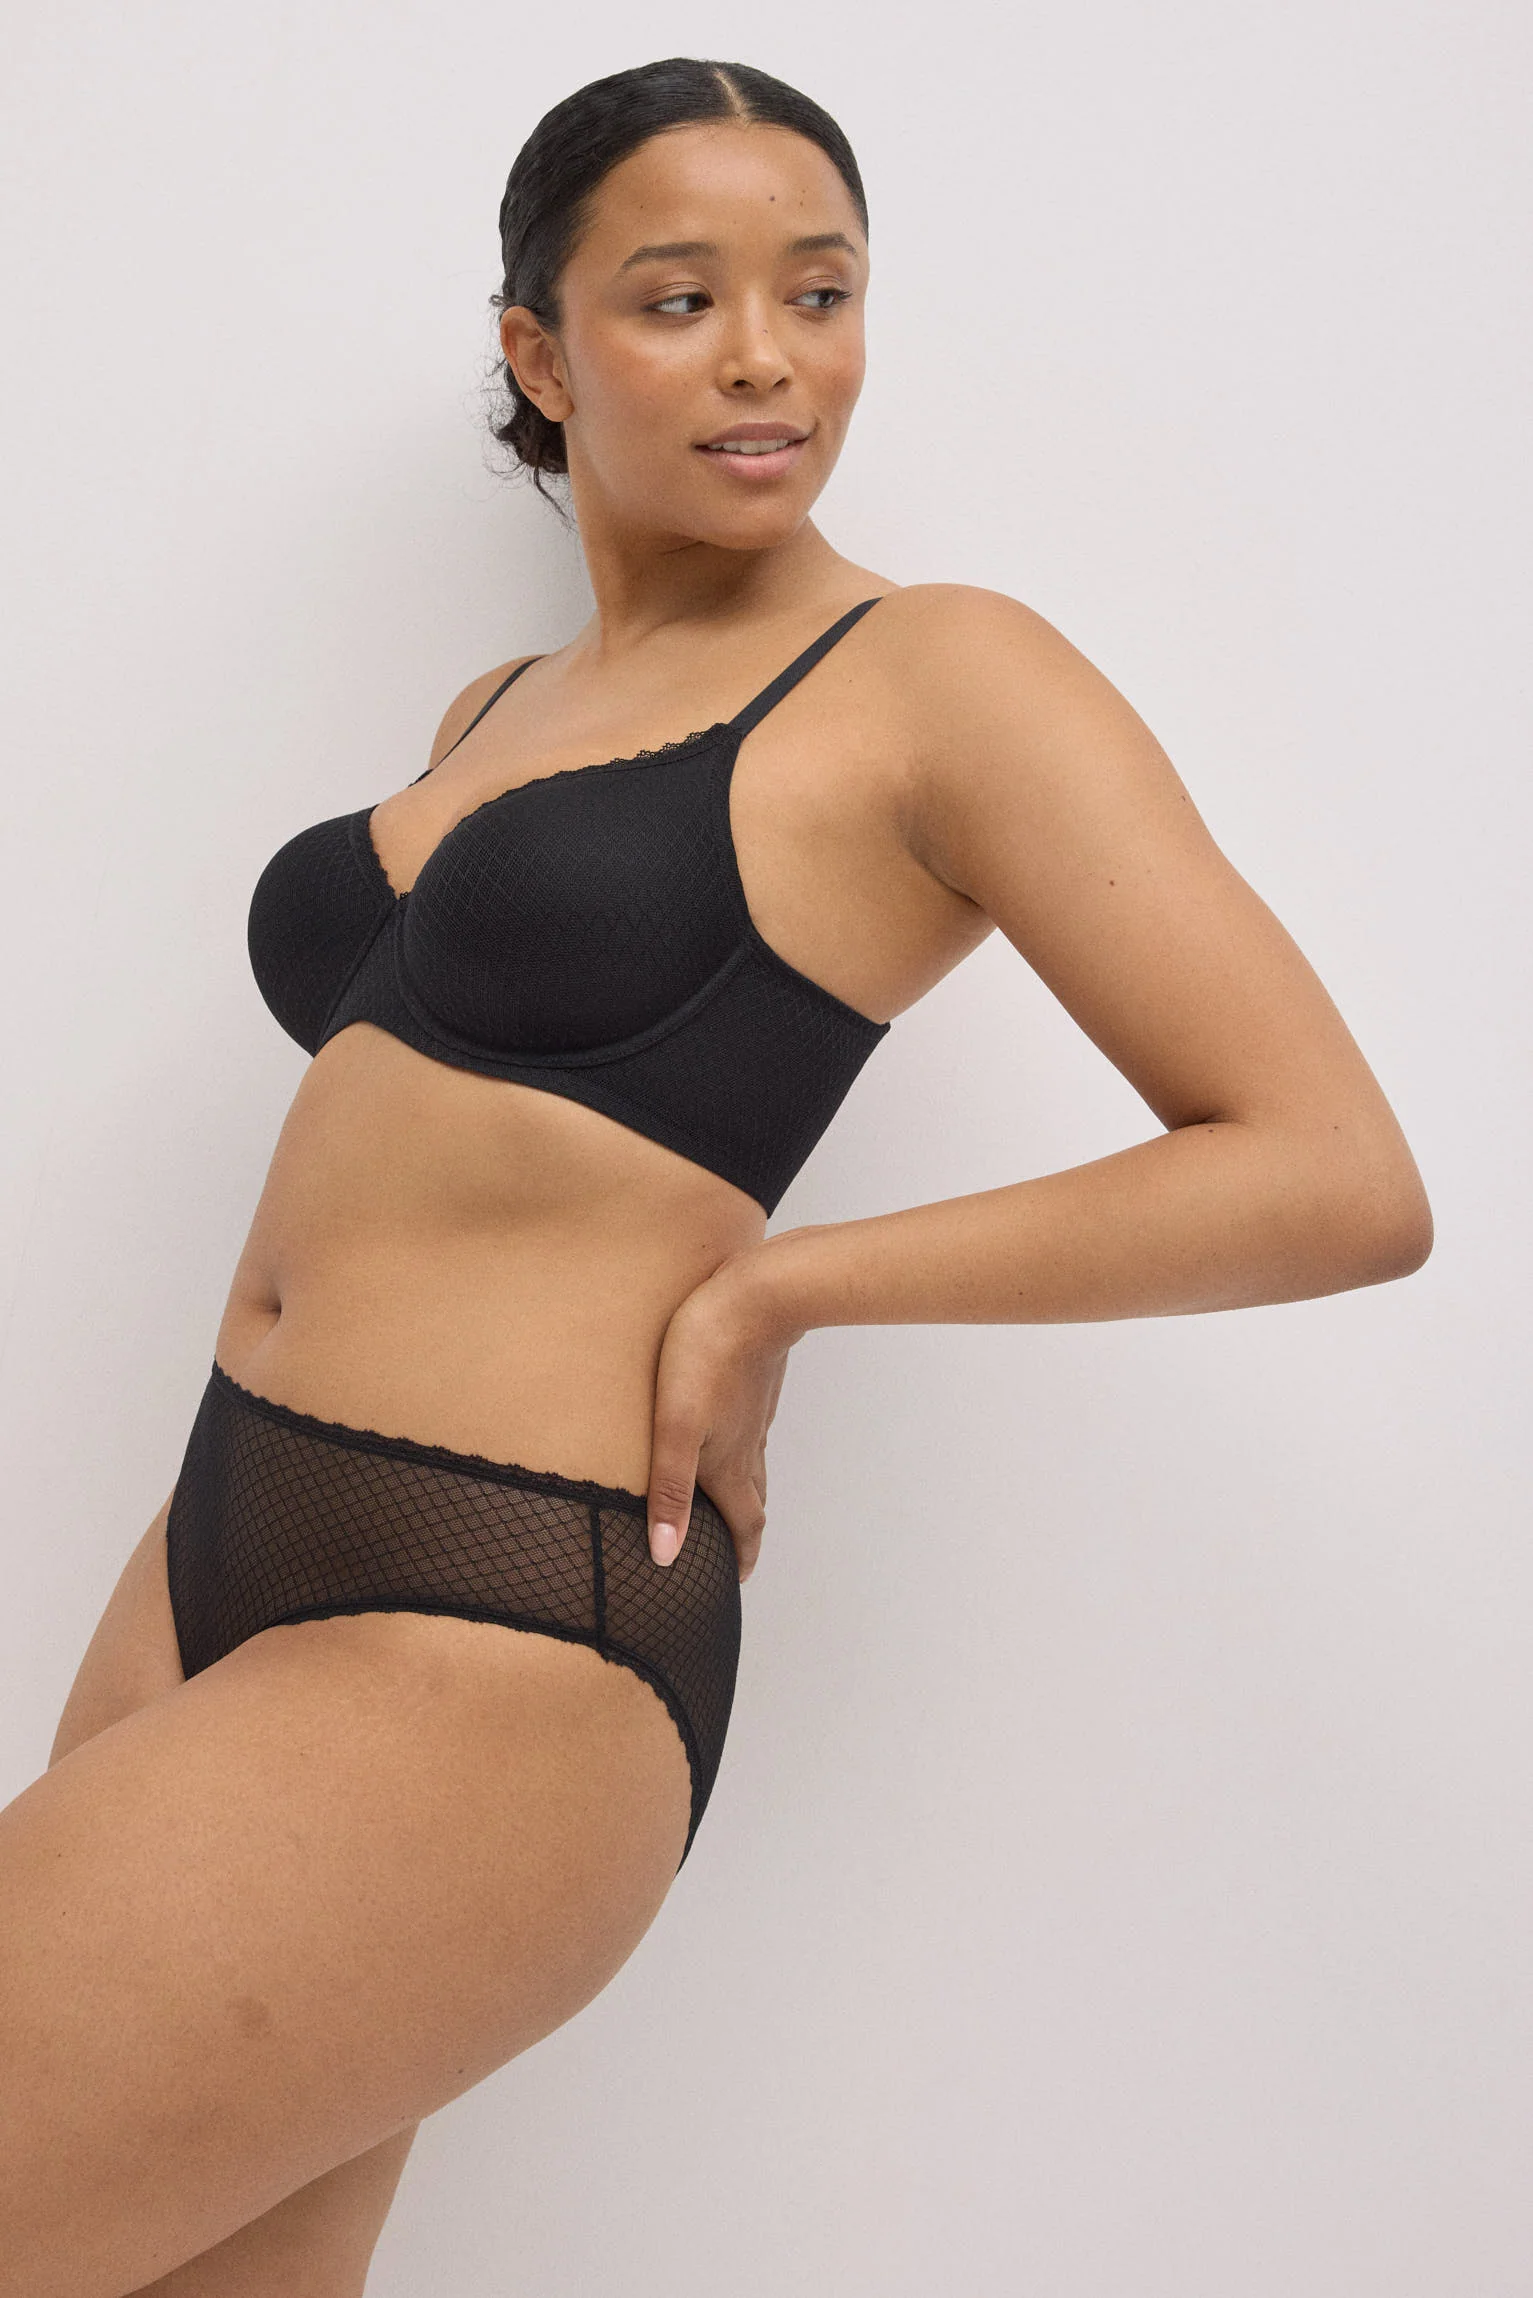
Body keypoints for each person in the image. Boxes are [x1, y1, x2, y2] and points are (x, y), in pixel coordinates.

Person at [0, 53, 1431, 2298]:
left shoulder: (939, 675)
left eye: (820, 294)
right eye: (680, 300)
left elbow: (1334, 1172)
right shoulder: (498, 706)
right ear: (540, 352)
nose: (768, 356)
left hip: (494, 1612)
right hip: (218, 1545)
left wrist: (781, 1288)